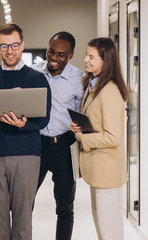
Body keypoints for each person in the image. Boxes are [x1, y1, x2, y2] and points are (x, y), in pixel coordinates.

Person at [0, 31, 84, 240]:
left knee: (65, 206)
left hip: (65, 145)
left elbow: (82, 113)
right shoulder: (35, 72)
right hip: (37, 144)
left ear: (71, 55)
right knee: (23, 204)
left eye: (62, 54)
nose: (54, 57)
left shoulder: (79, 79)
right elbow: (11, 73)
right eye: (51, 51)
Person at [0, 23, 51, 240]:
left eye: (15, 45)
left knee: (22, 222)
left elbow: (43, 118)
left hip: (27, 155)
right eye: (5, 46)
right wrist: (14, 94)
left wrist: (23, 125)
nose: (10, 51)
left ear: (23, 45)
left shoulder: (37, 79)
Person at [70, 37, 128, 240]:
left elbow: (114, 137)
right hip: (99, 170)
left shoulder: (109, 91)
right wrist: (81, 127)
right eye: (86, 54)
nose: (85, 59)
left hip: (107, 171)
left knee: (109, 230)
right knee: (103, 228)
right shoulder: (94, 85)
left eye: (91, 56)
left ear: (105, 60)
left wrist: (82, 138)